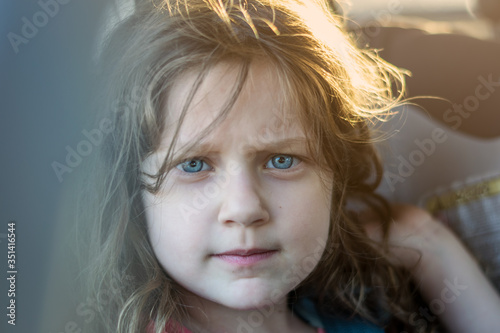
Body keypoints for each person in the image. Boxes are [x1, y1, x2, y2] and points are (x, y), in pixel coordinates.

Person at [77, 1, 500, 332]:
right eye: (193, 165)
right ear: (135, 196)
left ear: (336, 179)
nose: (244, 208)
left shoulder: (358, 318)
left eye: (281, 161)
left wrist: (427, 245)